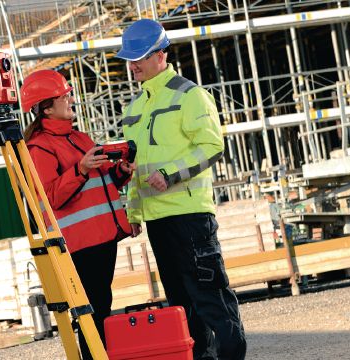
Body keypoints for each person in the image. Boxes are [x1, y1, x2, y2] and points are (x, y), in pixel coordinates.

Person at [116, 19, 247, 360]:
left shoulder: (190, 95)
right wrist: (132, 212)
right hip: (159, 221)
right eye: (129, 59)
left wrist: (170, 174)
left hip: (190, 217)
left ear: (161, 54)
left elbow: (211, 145)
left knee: (210, 297)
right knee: (181, 306)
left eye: (139, 58)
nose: (132, 66)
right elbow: (135, 168)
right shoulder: (134, 110)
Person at [21, 69, 135, 359]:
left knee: (100, 309)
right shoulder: (39, 148)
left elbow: (103, 183)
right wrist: (81, 169)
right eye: (64, 96)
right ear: (46, 107)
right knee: (90, 313)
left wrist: (120, 172)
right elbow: (51, 197)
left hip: (101, 239)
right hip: (79, 245)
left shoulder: (80, 138)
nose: (71, 98)